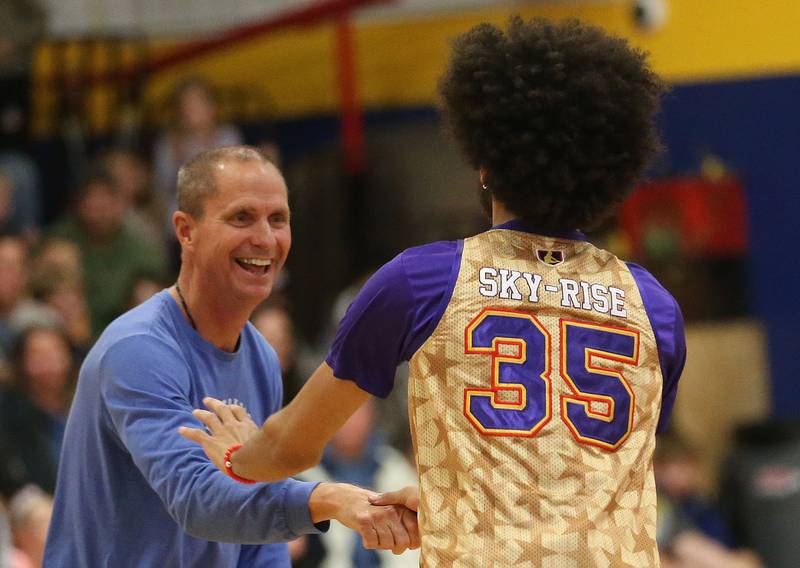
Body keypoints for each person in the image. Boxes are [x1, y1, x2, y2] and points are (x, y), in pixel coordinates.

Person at [182, 17, 685, 567]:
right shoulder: (654, 307)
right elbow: (594, 471)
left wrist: (235, 456)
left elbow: (290, 447)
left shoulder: (423, 281)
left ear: (484, 165)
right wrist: (455, 503)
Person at [44, 147, 418, 567]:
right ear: (186, 231)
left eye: (278, 219)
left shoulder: (260, 357)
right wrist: (330, 498)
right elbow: (196, 500)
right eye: (242, 217)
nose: (265, 238)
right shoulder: (138, 349)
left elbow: (261, 543)